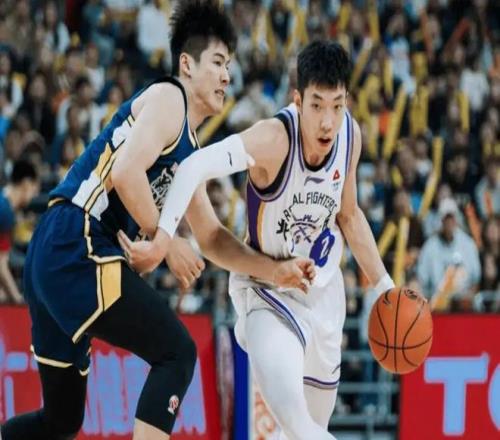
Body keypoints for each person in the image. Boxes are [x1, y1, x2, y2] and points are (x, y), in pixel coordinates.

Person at [0, 2, 313, 440]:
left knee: (61, 420)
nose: (227, 76)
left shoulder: (191, 150)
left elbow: (212, 238)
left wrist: (275, 270)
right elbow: (125, 172)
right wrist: (165, 242)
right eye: (217, 62)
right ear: (187, 64)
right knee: (177, 353)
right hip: (76, 236)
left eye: (229, 66)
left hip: (54, 253)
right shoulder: (170, 98)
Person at [124, 41, 397, 440]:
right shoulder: (274, 139)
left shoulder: (350, 136)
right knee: (297, 424)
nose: (327, 121)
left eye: (337, 106)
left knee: (310, 430)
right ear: (298, 101)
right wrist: (162, 240)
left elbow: (350, 216)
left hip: (323, 294)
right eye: (317, 106)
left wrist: (386, 286)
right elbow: (192, 166)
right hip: (267, 293)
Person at [0, 159, 39, 304]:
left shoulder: (4, 204)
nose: (35, 195)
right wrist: (17, 299)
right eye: (34, 189)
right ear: (26, 183)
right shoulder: (5, 211)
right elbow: (1, 265)